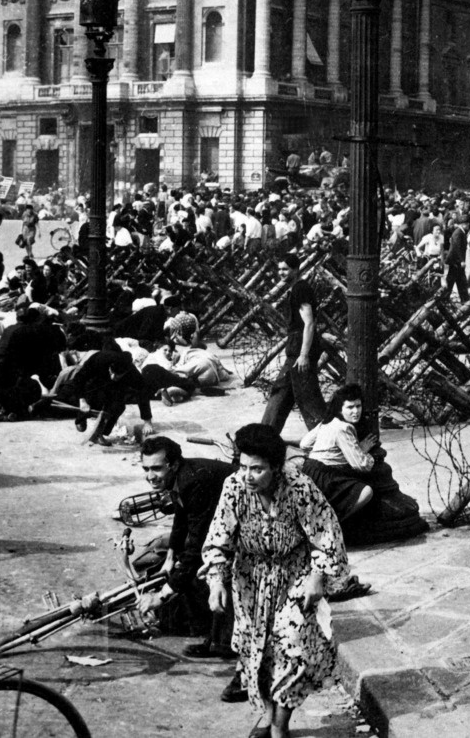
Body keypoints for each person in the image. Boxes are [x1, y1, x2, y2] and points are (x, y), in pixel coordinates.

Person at [201, 423, 348, 738]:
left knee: (293, 651)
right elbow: (219, 539)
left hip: (294, 576)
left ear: (277, 468)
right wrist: (217, 580)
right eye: (243, 466)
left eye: (258, 469)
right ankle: (268, 717)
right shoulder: (234, 487)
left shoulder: (300, 488)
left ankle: (281, 727)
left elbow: (327, 536)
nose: (248, 475)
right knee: (260, 654)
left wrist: (318, 576)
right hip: (250, 579)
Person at [138, 436, 245, 701]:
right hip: (229, 521)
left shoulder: (194, 482)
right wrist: (170, 556)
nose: (150, 476)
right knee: (188, 571)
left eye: (156, 469)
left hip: (248, 523)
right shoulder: (181, 478)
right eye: (146, 469)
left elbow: (198, 545)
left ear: (173, 465)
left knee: (205, 572)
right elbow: (181, 518)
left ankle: (224, 643)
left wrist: (161, 594)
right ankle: (217, 638)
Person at [260, 254, 326, 435]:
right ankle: (265, 436)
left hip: (300, 350)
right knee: (282, 392)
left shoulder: (300, 289)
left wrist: (303, 355)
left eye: (285, 269)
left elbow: (309, 323)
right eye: (279, 269)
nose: (281, 273)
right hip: (295, 346)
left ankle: (328, 437)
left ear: (296, 269)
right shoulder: (295, 289)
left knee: (308, 396)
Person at [300, 383, 379, 521]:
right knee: (366, 491)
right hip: (326, 477)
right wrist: (362, 450)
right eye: (350, 407)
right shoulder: (344, 428)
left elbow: (304, 444)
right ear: (340, 409)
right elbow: (361, 465)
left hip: (309, 471)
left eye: (358, 406)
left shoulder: (327, 422)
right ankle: (336, 522)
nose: (356, 411)